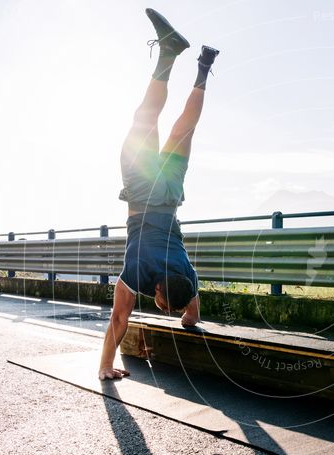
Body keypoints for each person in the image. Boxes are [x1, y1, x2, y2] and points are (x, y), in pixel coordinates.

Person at [99, 8, 219, 381]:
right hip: (143, 189)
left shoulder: (188, 277)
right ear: (155, 287)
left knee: (186, 128)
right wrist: (105, 365)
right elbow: (121, 316)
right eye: (163, 304)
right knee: (145, 119)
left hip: (170, 193)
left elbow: (191, 312)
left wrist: (186, 316)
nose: (164, 308)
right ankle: (168, 53)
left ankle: (203, 66)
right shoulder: (141, 270)